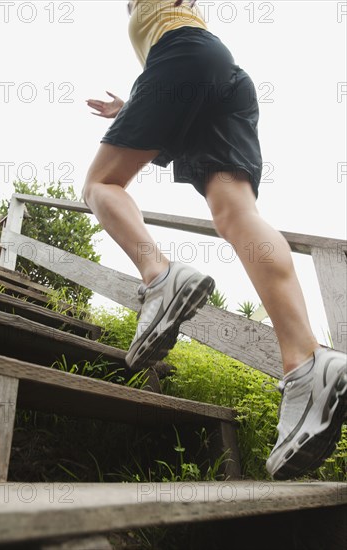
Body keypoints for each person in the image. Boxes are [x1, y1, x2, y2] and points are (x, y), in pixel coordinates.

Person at [82, 0, 347, 480]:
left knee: (101, 184)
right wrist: (133, 107)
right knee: (235, 212)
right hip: (218, 74)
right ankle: (305, 362)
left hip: (181, 60)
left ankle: (160, 277)